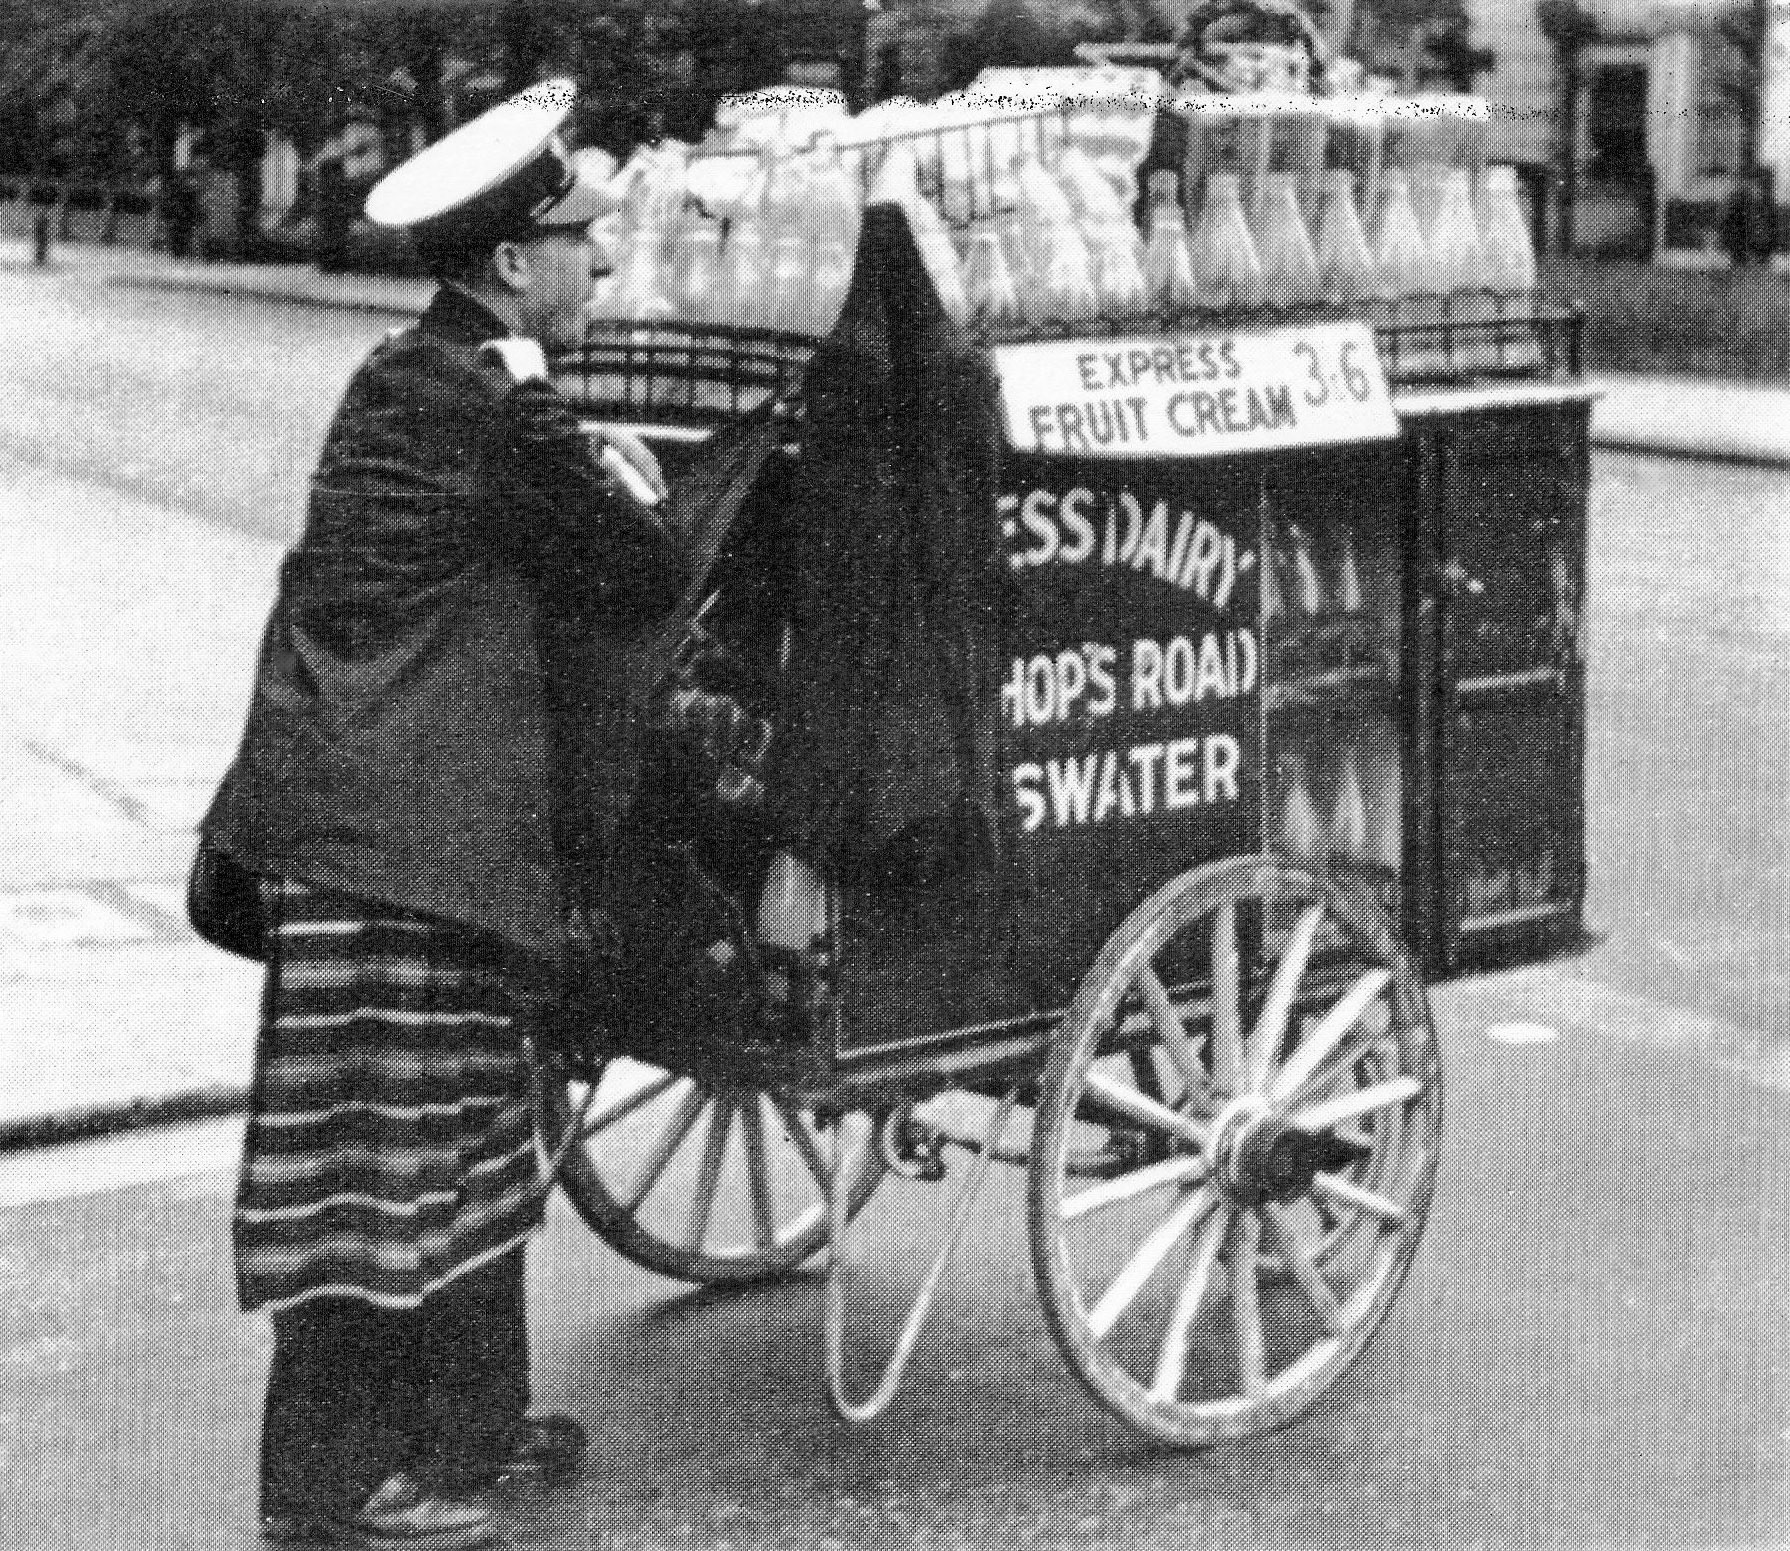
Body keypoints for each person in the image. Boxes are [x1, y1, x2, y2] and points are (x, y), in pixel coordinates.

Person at [191, 78, 688, 1550]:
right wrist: (608, 470)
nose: (605, 263)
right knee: (372, 1160)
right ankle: (328, 1490)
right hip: (389, 838)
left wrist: (574, 445)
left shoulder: (426, 375)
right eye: (584, 243)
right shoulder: (487, 404)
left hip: (395, 821)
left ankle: (470, 1431)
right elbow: (640, 577)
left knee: (466, 1134)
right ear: (516, 262)